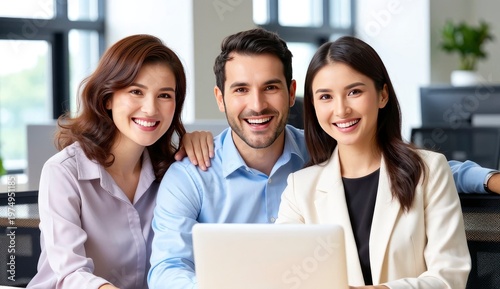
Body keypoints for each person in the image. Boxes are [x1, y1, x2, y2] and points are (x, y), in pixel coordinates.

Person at [275, 36, 471, 288]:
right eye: (325, 97)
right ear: (313, 105)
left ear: (382, 95)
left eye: (354, 92)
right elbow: (285, 277)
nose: (341, 109)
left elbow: (449, 277)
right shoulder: (299, 188)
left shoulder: (429, 171)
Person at [147, 28, 309, 289]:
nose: (257, 105)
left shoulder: (324, 156)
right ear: (220, 99)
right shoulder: (189, 177)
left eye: (270, 87)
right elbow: (168, 268)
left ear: (291, 93)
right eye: (241, 89)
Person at [27, 34, 188, 289]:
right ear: (108, 98)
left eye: (165, 95)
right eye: (136, 91)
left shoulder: (174, 172)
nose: (150, 109)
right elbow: (70, 274)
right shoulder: (63, 172)